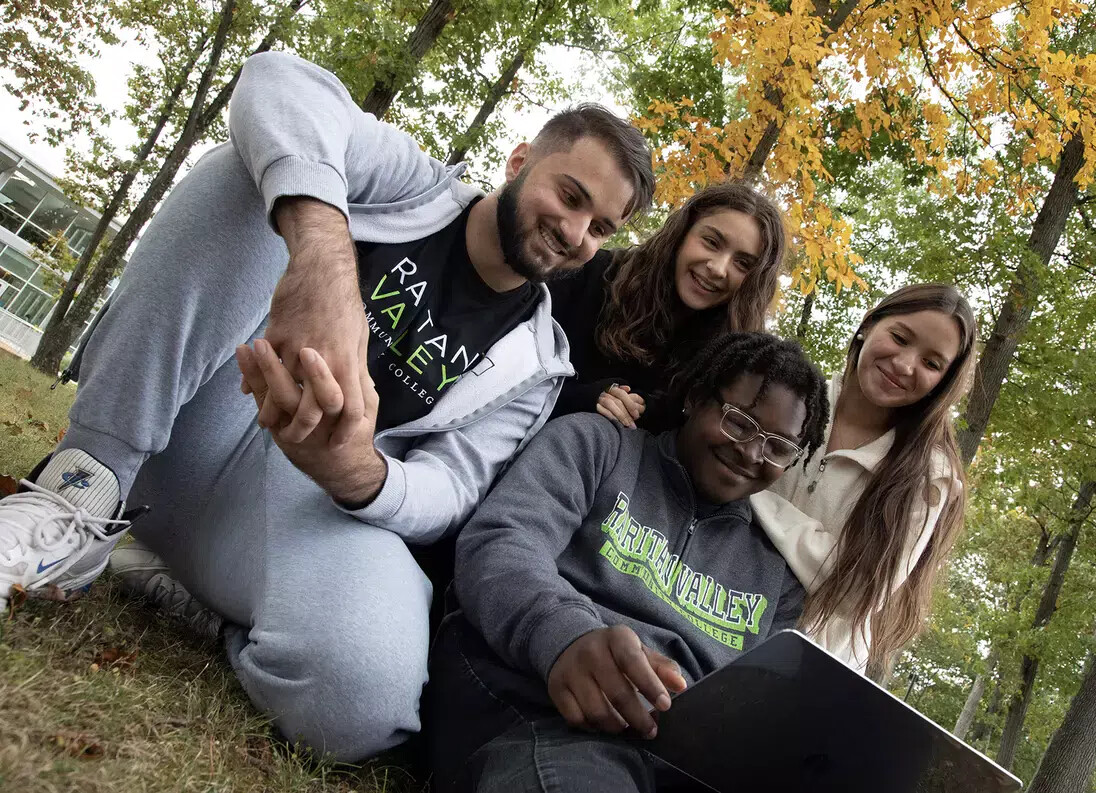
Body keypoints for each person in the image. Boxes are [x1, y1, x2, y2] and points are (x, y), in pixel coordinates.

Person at [0, 51, 654, 761]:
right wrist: (322, 260)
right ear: (520, 160)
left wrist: (359, 472)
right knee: (258, 170)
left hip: (295, 506)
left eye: (601, 227)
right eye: (571, 195)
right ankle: (81, 487)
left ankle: (187, 593)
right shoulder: (410, 182)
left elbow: (454, 487)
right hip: (187, 417)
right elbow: (274, 79)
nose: (577, 230)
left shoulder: (538, 363)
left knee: (365, 702)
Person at [425, 332, 830, 793]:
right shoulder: (597, 446)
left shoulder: (777, 575)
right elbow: (501, 544)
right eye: (739, 422)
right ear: (697, 398)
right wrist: (565, 635)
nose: (751, 453)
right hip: (535, 699)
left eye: (778, 447)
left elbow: (759, 701)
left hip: (673, 756)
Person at [749, 283, 978, 674]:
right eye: (900, 337)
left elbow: (856, 589)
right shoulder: (788, 403)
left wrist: (751, 496)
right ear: (868, 326)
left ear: (944, 381)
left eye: (932, 363)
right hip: (718, 615)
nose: (905, 365)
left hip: (804, 672)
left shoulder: (929, 477)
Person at [547, 182, 786, 432]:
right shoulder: (590, 276)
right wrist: (586, 398)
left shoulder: (730, 362)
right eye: (712, 242)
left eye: (743, 263)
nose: (718, 268)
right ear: (683, 233)